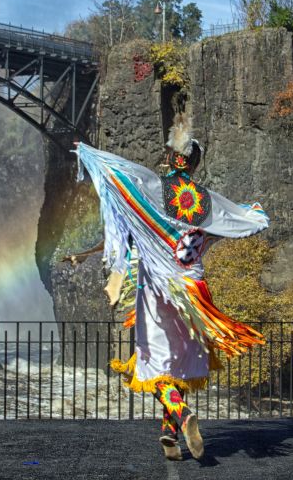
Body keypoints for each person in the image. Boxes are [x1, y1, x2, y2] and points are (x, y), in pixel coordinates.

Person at [73, 116, 269, 461]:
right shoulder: (207, 201)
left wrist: (89, 154)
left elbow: (124, 199)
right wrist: (253, 213)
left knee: (153, 365)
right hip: (192, 292)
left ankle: (181, 413)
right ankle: (169, 434)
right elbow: (242, 220)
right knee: (179, 365)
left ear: (170, 158)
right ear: (194, 164)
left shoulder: (152, 189)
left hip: (158, 289)